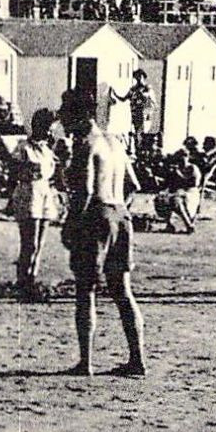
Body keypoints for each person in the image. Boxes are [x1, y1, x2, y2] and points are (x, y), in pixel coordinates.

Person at [58, 88, 147, 377]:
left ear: (81, 115)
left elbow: (83, 192)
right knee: (122, 291)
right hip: (120, 213)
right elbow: (133, 185)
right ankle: (137, 359)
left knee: (86, 290)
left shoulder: (86, 144)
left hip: (95, 216)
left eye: (68, 115)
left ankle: (86, 362)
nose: (65, 122)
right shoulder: (115, 142)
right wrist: (117, 208)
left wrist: (70, 225)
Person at [11, 109, 61, 293]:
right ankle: (22, 280)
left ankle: (32, 278)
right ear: (39, 127)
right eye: (48, 128)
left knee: (40, 244)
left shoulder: (48, 150)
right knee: (29, 243)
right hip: (28, 193)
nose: (51, 132)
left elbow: (55, 175)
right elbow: (12, 172)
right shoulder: (23, 147)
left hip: (45, 193)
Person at [123, 70, 154, 159]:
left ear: (144, 77)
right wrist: (113, 94)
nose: (138, 79)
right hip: (135, 115)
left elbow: (151, 101)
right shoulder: (133, 89)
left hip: (144, 116)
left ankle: (142, 156)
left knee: (141, 136)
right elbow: (124, 98)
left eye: (140, 77)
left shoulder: (147, 88)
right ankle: (138, 155)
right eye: (136, 77)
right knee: (136, 136)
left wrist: (148, 112)